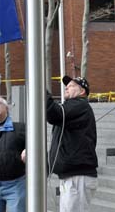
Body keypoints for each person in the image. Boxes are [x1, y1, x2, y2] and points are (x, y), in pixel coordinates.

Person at [46, 75, 98, 212]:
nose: (67, 87)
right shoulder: (72, 109)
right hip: (72, 177)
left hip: (77, 178)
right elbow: (60, 145)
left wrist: (41, 90)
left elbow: (53, 113)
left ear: (82, 91)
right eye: (66, 85)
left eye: (72, 85)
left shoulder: (80, 105)